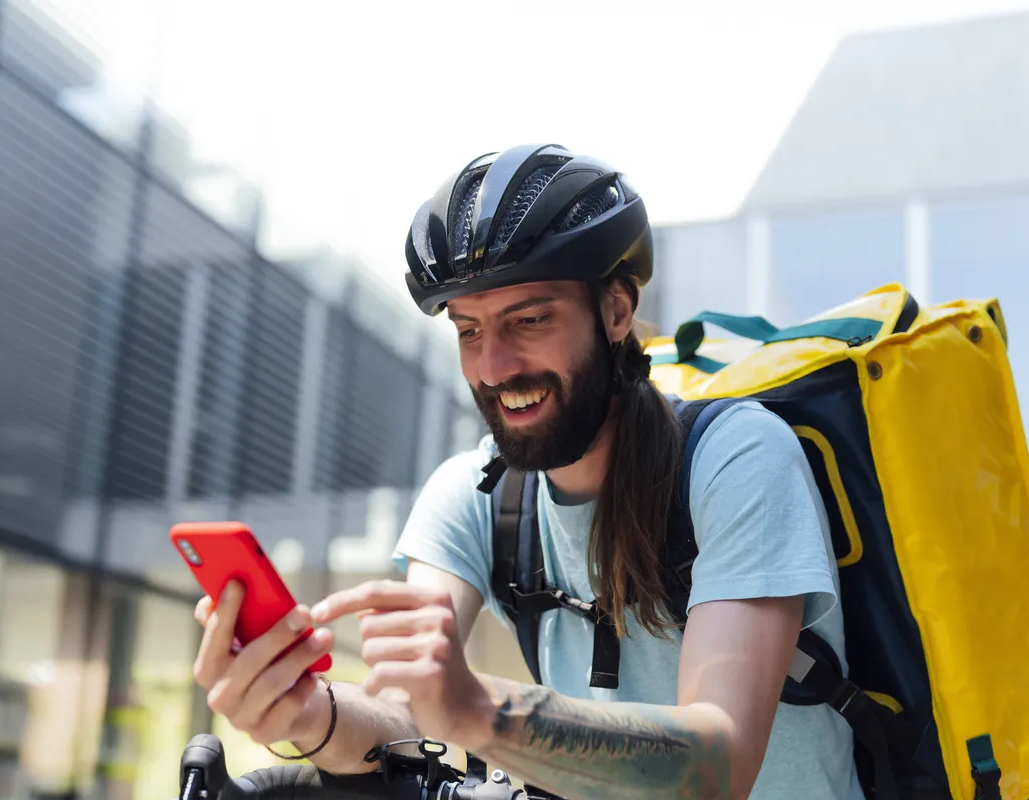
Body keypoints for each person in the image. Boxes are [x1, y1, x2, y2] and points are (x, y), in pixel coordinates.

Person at [191, 144, 864, 800]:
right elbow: (403, 723)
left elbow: (719, 765)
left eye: (530, 319)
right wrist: (310, 712)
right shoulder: (473, 495)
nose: (492, 368)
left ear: (616, 311)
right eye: (469, 331)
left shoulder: (738, 456)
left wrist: (479, 709)